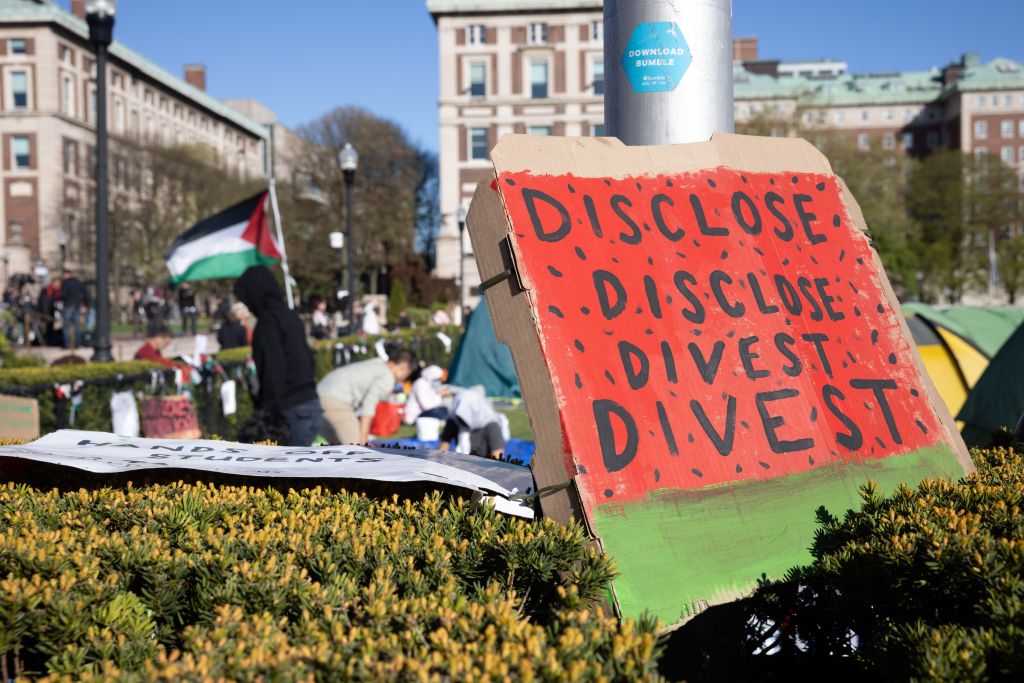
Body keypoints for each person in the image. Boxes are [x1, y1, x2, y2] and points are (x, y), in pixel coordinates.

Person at [234, 265, 321, 447]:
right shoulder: (290, 316)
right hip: (311, 402)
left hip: (290, 407)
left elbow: (273, 370)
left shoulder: (267, 322)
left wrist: (266, 411)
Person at [318, 349, 416, 444]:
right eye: (407, 374)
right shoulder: (387, 376)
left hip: (320, 396)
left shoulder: (378, 363)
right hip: (336, 400)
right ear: (404, 367)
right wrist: (363, 439)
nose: (404, 379)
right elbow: (368, 406)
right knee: (355, 449)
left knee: (337, 448)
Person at [439, 387, 505, 460]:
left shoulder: (491, 426)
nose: (461, 419)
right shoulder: (455, 421)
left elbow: (497, 457)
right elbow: (443, 447)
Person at [60, 269, 86, 349]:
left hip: (68, 305)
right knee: (76, 326)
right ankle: (77, 344)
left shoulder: (65, 283)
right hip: (77, 306)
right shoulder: (78, 283)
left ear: (66, 274)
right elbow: (84, 293)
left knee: (66, 326)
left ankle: (67, 344)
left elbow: (63, 295)